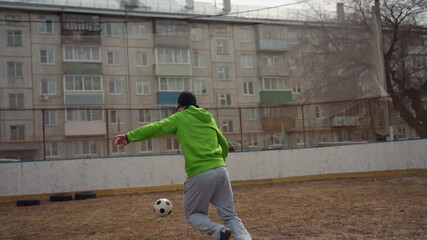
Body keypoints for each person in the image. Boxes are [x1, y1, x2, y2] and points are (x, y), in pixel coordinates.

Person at [114, 91, 252, 240]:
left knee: (192, 215)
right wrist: (219, 162)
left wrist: (129, 137)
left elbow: (156, 127)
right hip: (221, 170)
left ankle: (218, 232)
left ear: (181, 107)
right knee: (230, 215)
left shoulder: (180, 117)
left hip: (200, 172)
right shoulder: (208, 117)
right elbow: (223, 143)